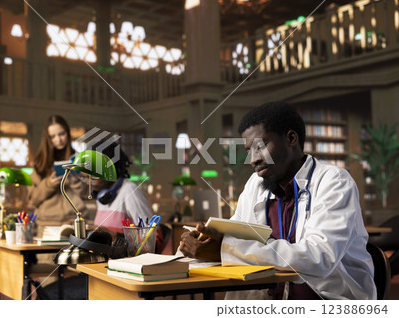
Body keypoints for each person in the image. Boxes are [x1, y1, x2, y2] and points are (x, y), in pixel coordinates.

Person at [179, 102, 376, 300]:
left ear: (291, 138)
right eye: (249, 150)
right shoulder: (255, 185)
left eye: (260, 147)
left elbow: (319, 258)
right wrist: (206, 242)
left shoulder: (333, 181)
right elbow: (236, 235)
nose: (252, 160)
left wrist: (227, 248)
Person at [88, 140, 165, 252]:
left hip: (126, 264)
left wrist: (115, 237)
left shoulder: (130, 191)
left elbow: (153, 241)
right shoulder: (102, 195)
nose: (90, 177)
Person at [28, 115, 89, 234]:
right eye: (53, 136)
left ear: (68, 133)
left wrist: (74, 180)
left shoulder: (79, 160)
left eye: (61, 134)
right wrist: (48, 184)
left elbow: (88, 194)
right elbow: (32, 200)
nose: (58, 140)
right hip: (47, 225)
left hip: (75, 223)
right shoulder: (39, 163)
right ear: (47, 138)